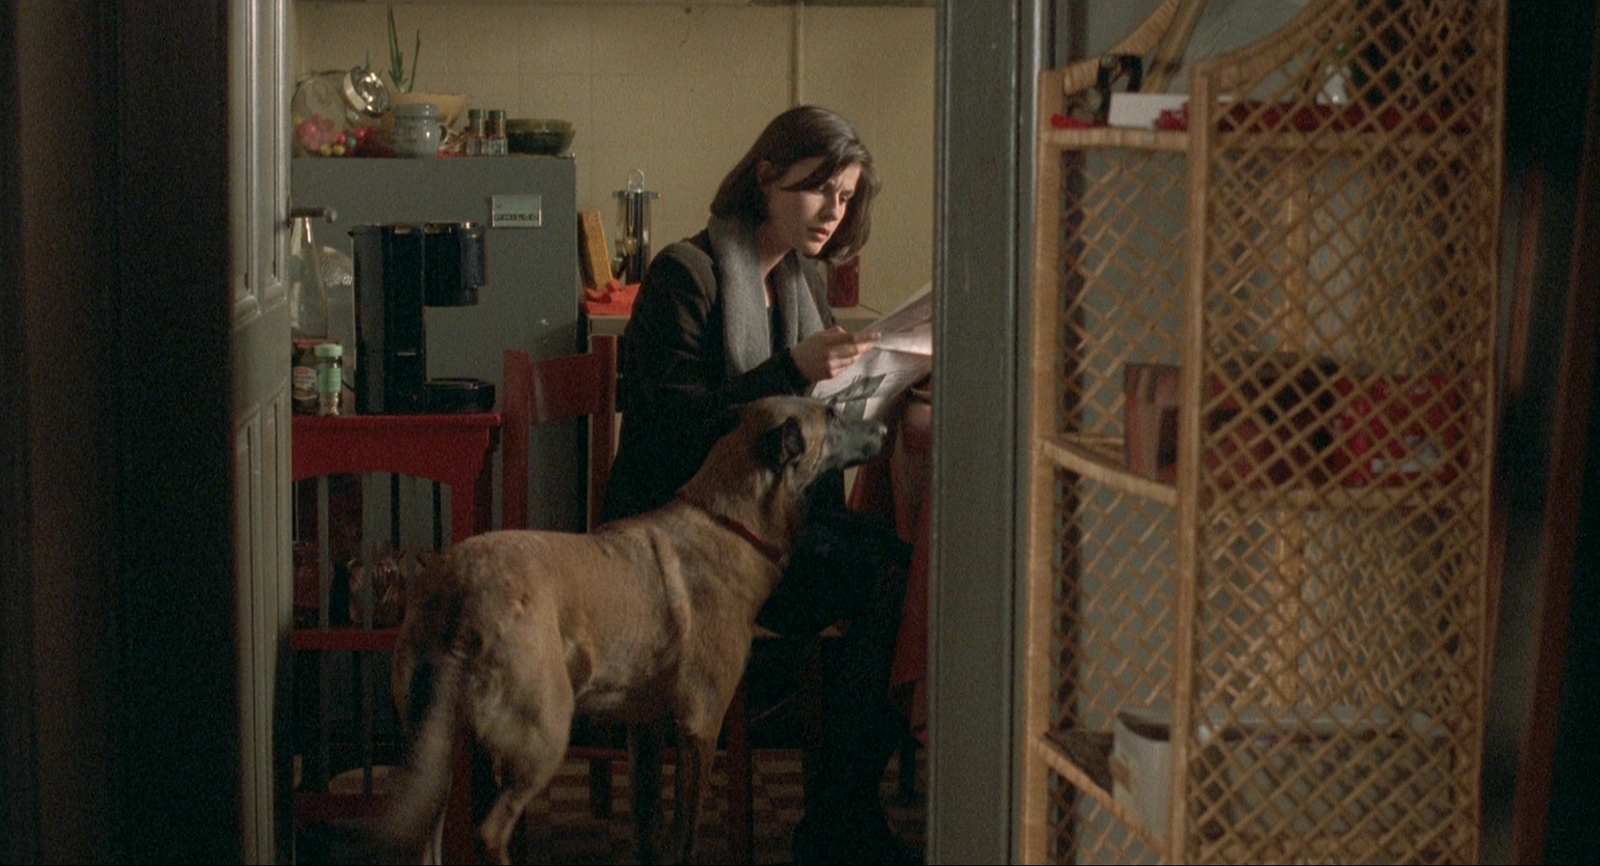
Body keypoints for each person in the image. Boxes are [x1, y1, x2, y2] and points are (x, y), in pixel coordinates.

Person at [602, 105, 919, 865]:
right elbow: (678, 431)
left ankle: (840, 805)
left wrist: (878, 385)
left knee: (898, 564)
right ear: (768, 175)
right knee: (882, 569)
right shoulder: (689, 274)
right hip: (679, 540)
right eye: (817, 191)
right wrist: (793, 372)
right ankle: (839, 815)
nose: (831, 213)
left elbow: (801, 434)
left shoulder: (802, 282)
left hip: (765, 532)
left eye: (843, 199)